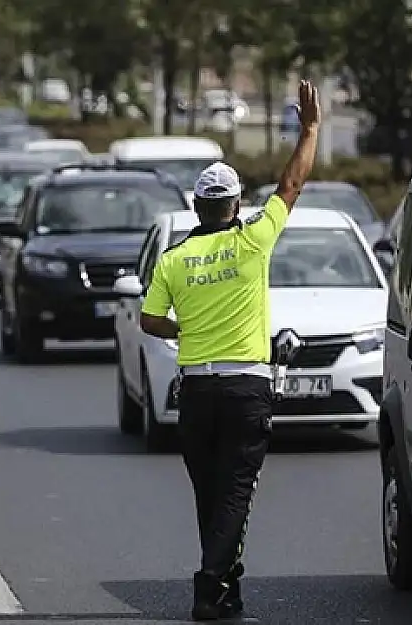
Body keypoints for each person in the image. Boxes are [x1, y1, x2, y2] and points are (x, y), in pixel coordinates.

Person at [138, 80, 322, 621]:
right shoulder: (253, 241)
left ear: (197, 206)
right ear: (237, 204)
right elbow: (291, 184)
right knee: (237, 493)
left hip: (195, 389)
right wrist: (310, 129)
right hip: (247, 388)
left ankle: (226, 588)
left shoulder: (175, 257)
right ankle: (208, 584)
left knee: (210, 494)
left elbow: (150, 319)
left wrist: (183, 330)